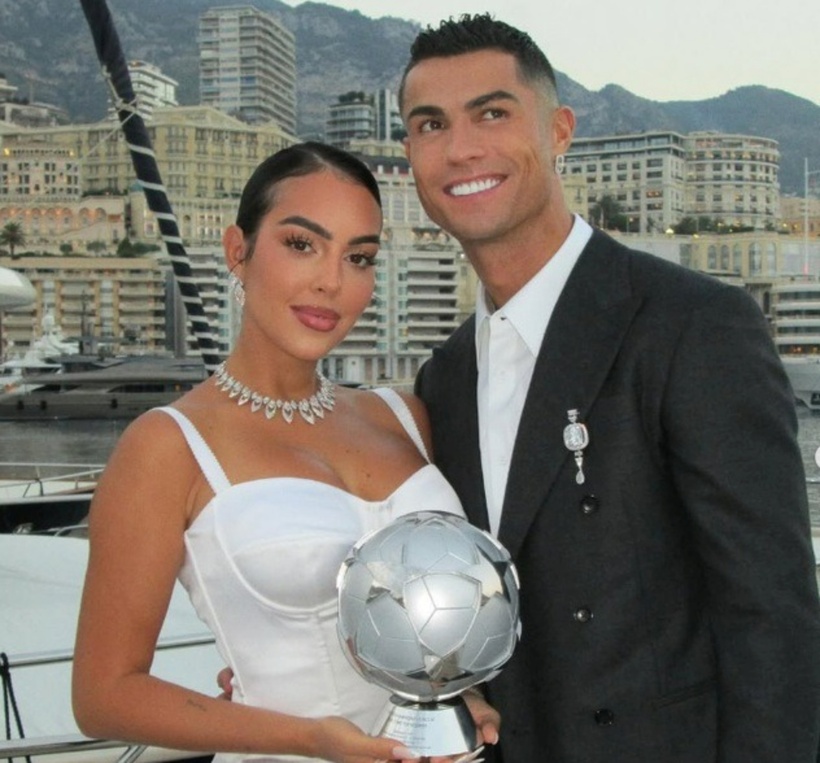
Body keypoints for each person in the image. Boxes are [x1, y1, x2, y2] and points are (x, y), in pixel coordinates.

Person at [400, 14, 820, 763]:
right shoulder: (446, 377)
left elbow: (773, 615)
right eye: (430, 124)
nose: (460, 149)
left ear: (559, 131)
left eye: (492, 113)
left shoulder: (694, 325)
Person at [72, 142, 497, 763]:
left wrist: (463, 694)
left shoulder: (404, 416)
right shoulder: (168, 446)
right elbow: (103, 696)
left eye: (358, 257)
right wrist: (310, 737)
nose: (331, 282)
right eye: (302, 244)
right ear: (236, 251)